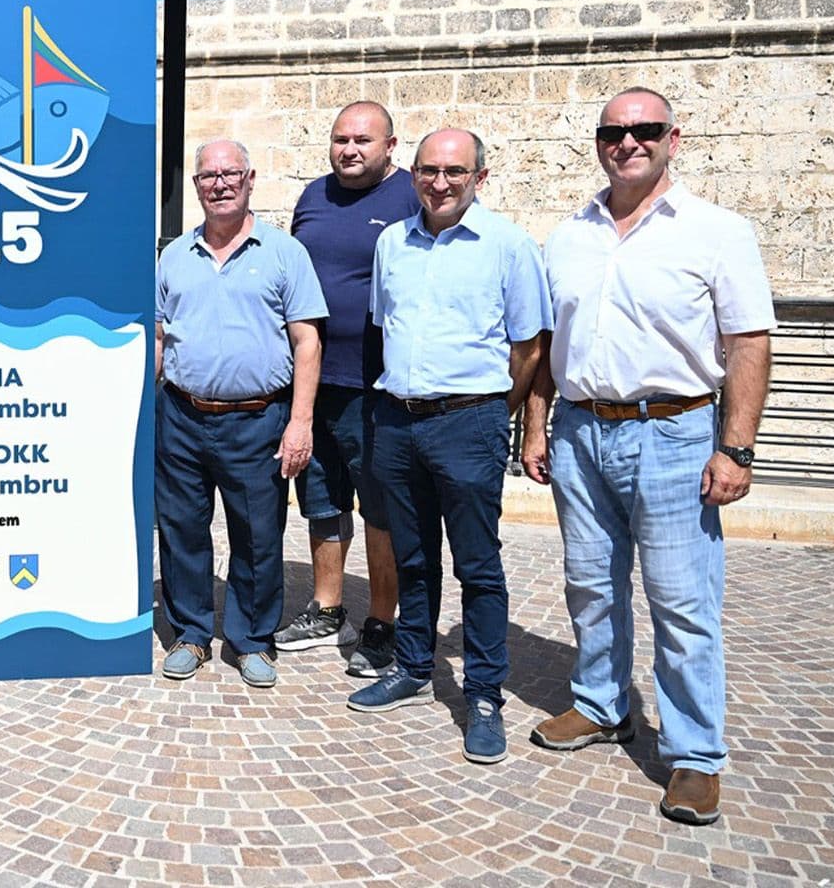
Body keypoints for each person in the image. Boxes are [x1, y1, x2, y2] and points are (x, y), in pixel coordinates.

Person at [521, 88, 773, 826]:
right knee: (589, 584)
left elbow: (750, 340)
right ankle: (602, 704)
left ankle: (695, 755)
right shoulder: (569, 233)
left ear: (673, 138)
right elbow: (546, 347)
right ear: (597, 140)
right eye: (613, 131)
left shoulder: (716, 231)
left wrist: (737, 447)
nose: (627, 141)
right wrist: (536, 426)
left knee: (683, 601)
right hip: (579, 429)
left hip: (675, 432)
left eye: (644, 129)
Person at [346, 128, 550, 767]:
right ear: (412, 174)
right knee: (411, 558)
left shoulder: (509, 246)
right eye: (429, 170)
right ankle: (412, 664)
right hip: (398, 422)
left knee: (477, 566)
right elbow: (383, 327)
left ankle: (484, 694)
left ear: (479, 178)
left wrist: (495, 415)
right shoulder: (390, 243)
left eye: (454, 172)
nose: (439, 182)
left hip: (469, 423)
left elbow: (530, 347)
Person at [154, 139, 326, 689]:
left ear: (251, 179)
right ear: (198, 185)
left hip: (258, 420)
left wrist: (300, 423)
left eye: (231, 174)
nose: (219, 183)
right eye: (208, 176)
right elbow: (160, 337)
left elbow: (308, 342)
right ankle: (191, 633)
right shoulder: (174, 256)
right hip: (181, 415)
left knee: (257, 533)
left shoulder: (283, 253)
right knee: (181, 530)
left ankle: (252, 639)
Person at [284, 102, 417, 675]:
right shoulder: (313, 197)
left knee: (380, 511)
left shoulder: (414, 196)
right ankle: (327, 607)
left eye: (364, 139)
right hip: (314, 383)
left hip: (378, 388)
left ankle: (383, 622)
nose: (350, 149)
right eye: (341, 138)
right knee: (322, 502)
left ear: (390, 145)